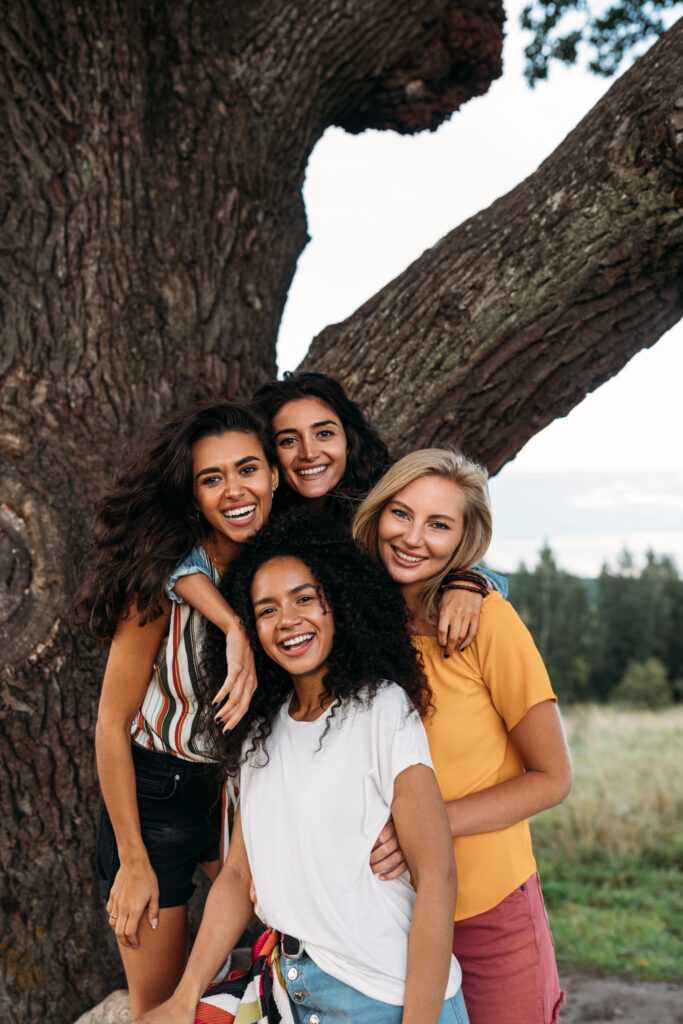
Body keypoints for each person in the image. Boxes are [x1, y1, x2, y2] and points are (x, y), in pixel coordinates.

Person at [137, 514, 469, 1024]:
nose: (288, 619)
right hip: (296, 996)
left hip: (386, 998)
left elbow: (438, 877)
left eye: (304, 598)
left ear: (338, 604)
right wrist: (183, 998)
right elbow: (237, 877)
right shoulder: (257, 733)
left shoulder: (382, 709)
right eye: (266, 609)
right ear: (251, 631)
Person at [75, 401, 280, 1018]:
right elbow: (111, 724)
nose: (234, 490)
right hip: (156, 795)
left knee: (270, 963)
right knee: (160, 1005)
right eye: (211, 478)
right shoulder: (158, 582)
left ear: (274, 473)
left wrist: (476, 580)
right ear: (193, 495)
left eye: (247, 469)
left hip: (243, 796)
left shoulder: (285, 564)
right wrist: (133, 860)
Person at [353, 449, 572, 1024]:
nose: (414, 537)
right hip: (386, 913)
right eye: (401, 514)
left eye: (439, 524)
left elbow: (551, 778)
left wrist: (425, 828)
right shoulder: (355, 624)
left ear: (464, 539)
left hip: (487, 908)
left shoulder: (487, 622)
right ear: (377, 514)